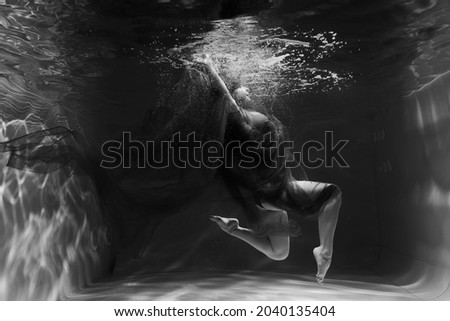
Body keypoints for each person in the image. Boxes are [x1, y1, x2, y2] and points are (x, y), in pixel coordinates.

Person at [197, 55, 341, 284]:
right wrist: (209, 65)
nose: (248, 90)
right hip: (272, 192)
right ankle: (325, 252)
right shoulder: (241, 121)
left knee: (278, 252)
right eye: (243, 89)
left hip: (265, 194)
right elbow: (223, 93)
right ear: (235, 97)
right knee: (331, 194)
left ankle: (233, 229)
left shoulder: (250, 120)